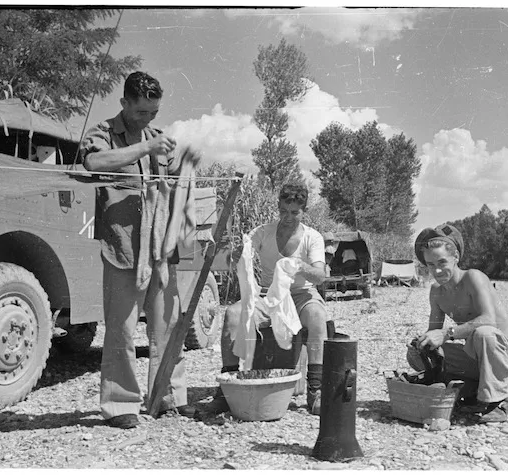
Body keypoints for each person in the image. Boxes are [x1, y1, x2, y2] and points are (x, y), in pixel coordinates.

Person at [80, 71, 197, 429]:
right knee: (121, 331)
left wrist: (186, 162)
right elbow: (93, 163)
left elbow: (177, 179)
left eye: (153, 113)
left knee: (166, 327)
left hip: (159, 252)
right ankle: (120, 406)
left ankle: (167, 396)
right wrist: (145, 148)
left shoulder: (158, 138)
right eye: (141, 112)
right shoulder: (102, 135)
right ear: (124, 103)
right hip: (122, 248)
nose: (148, 119)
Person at [209, 182, 329, 415]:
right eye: (284, 211)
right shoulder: (263, 232)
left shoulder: (312, 238)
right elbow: (243, 254)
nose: (288, 217)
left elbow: (319, 276)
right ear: (278, 207)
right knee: (233, 315)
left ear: (303, 211)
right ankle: (228, 387)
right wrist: (236, 255)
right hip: (268, 293)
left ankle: (316, 388)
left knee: (317, 316)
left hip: (300, 294)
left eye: (294, 213)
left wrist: (299, 266)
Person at [409, 223, 508, 423]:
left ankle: (497, 401)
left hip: (507, 358)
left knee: (484, 333)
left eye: (442, 262)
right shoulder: (437, 291)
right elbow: (434, 332)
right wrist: (425, 341)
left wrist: (447, 334)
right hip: (478, 359)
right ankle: (473, 388)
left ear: (455, 257)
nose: (437, 270)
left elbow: (488, 320)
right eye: (430, 265)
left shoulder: (473, 277)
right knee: (418, 351)